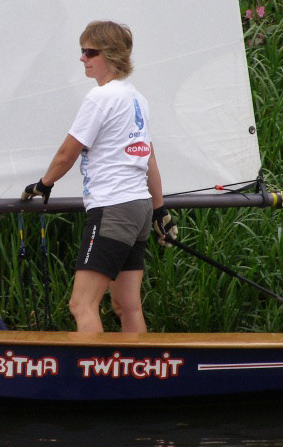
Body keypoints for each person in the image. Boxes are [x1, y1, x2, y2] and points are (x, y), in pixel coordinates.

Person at [21, 21, 177, 333]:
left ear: (110, 55)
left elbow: (68, 153)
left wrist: (43, 184)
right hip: (140, 209)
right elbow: (150, 163)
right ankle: (139, 375)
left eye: (89, 52)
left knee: (81, 304)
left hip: (113, 208)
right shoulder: (138, 100)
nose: (82, 58)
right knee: (127, 306)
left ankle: (91, 378)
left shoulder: (100, 98)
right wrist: (160, 211)